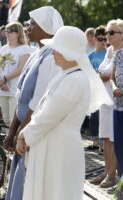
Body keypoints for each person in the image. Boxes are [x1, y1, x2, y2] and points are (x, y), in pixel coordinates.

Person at [16, 26, 112, 200]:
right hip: (53, 145)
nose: (53, 53)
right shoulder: (67, 75)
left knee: (56, 193)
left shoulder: (75, 79)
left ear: (68, 52)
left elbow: (49, 116)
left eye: (56, 49)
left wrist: (25, 134)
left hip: (59, 149)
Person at [3, 6, 63, 200]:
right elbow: (21, 96)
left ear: (46, 28)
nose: (27, 28)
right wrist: (13, 130)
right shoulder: (38, 53)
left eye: (32, 24)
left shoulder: (52, 57)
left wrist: (21, 132)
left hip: (34, 131)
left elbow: (37, 102)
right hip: (24, 128)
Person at [91, 19, 123, 190]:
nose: (107, 36)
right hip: (105, 99)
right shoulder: (110, 50)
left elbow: (107, 75)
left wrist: (99, 76)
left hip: (116, 101)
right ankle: (106, 171)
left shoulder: (122, 52)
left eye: (111, 33)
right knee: (105, 138)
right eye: (107, 32)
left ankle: (113, 174)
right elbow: (101, 72)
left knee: (114, 138)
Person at [0, 22, 32, 126]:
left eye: (10, 31)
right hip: (2, 89)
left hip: (14, 89)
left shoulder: (24, 48)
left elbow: (21, 69)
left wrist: (4, 79)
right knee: (6, 120)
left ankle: (13, 141)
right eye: (6, 31)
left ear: (18, 33)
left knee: (13, 121)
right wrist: (0, 81)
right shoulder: (3, 48)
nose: (7, 33)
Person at [86, 26, 107, 151]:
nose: (103, 42)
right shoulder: (91, 55)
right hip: (94, 90)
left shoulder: (109, 53)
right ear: (95, 39)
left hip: (106, 90)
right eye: (100, 39)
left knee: (103, 117)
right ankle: (95, 143)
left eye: (105, 39)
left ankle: (105, 144)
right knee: (93, 117)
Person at [111, 38, 123, 189]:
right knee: (119, 149)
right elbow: (112, 78)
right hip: (118, 107)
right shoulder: (119, 54)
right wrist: (114, 88)